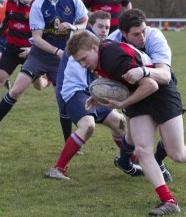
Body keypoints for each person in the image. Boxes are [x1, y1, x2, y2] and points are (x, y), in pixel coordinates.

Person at [67, 28, 186, 216]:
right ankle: (169, 201)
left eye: (83, 59)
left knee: (177, 153)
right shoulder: (102, 55)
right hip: (138, 96)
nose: (82, 64)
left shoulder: (112, 57)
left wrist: (122, 103)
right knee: (143, 150)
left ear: (94, 48)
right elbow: (114, 79)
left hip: (161, 94)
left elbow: (151, 85)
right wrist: (98, 95)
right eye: (79, 62)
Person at [0, 0, 88, 143]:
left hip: (62, 59)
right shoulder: (38, 6)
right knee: (16, 90)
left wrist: (76, 27)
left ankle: (69, 142)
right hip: (40, 54)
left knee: (63, 101)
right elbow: (38, 38)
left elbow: (84, 19)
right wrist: (57, 51)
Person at [46, 10, 142, 180]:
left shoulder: (101, 45)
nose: (104, 30)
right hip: (75, 92)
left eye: (107, 27)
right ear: (90, 26)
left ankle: (130, 160)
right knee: (88, 125)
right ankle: (57, 169)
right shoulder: (80, 43)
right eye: (100, 26)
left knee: (119, 123)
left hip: (92, 90)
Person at [107, 9, 175, 183]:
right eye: (136, 34)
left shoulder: (155, 36)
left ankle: (158, 161)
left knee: (170, 136)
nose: (142, 37)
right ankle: (124, 161)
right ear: (123, 34)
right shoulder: (111, 42)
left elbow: (165, 76)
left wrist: (143, 71)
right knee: (132, 137)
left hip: (161, 85)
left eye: (144, 31)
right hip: (133, 89)